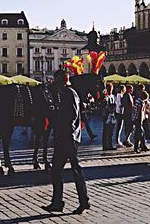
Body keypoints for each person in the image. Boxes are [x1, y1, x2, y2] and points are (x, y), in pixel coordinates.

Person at [43, 69, 89, 214]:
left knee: (74, 168)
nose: (53, 83)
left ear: (60, 80)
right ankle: (58, 202)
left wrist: (66, 132)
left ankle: (83, 201)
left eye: (55, 80)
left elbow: (71, 115)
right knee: (57, 169)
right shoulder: (66, 93)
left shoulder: (68, 93)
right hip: (65, 136)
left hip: (68, 137)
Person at [102, 83, 118, 150]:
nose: (110, 89)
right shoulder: (106, 96)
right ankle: (105, 145)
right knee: (106, 130)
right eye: (109, 88)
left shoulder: (113, 96)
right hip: (106, 114)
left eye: (111, 88)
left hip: (112, 114)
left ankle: (110, 145)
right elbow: (105, 105)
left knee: (111, 131)